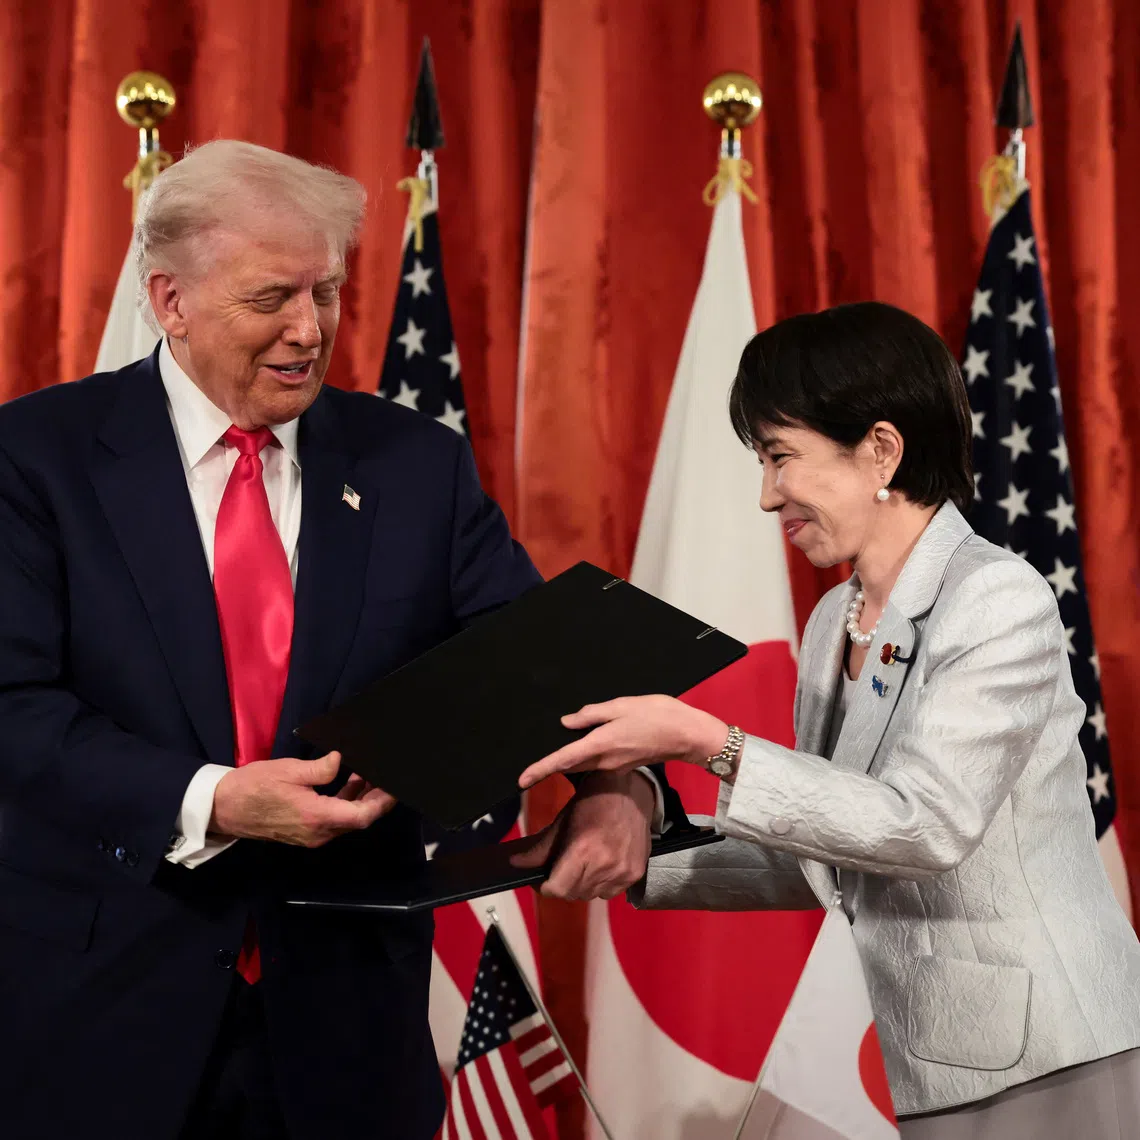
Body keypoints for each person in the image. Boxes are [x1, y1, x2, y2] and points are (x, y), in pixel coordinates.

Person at [0, 140, 664, 1140]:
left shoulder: (415, 464)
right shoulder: (33, 458)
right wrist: (217, 799)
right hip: (98, 1018)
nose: (309, 329)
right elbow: (13, 709)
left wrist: (617, 788)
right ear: (171, 300)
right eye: (271, 297)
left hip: (346, 1027)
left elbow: (534, 658)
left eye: (327, 291)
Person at [518, 301, 1140, 1138]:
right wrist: (633, 855)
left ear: (881, 449)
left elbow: (924, 827)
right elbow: (831, 852)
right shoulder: (831, 624)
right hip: (937, 1057)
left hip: (1050, 1052)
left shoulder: (995, 598)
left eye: (780, 457)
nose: (766, 496)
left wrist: (706, 742)